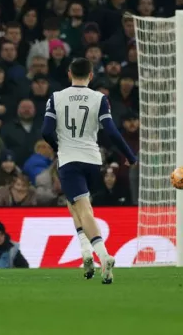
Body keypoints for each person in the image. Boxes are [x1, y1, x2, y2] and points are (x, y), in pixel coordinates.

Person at [41, 57, 137, 284]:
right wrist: (130, 156)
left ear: (69, 73)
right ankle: (86, 252)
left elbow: (46, 131)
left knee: (82, 208)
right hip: (93, 161)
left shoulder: (56, 98)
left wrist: (58, 147)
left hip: (69, 160)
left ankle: (103, 255)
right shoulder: (100, 98)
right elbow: (112, 132)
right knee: (76, 203)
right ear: (91, 76)